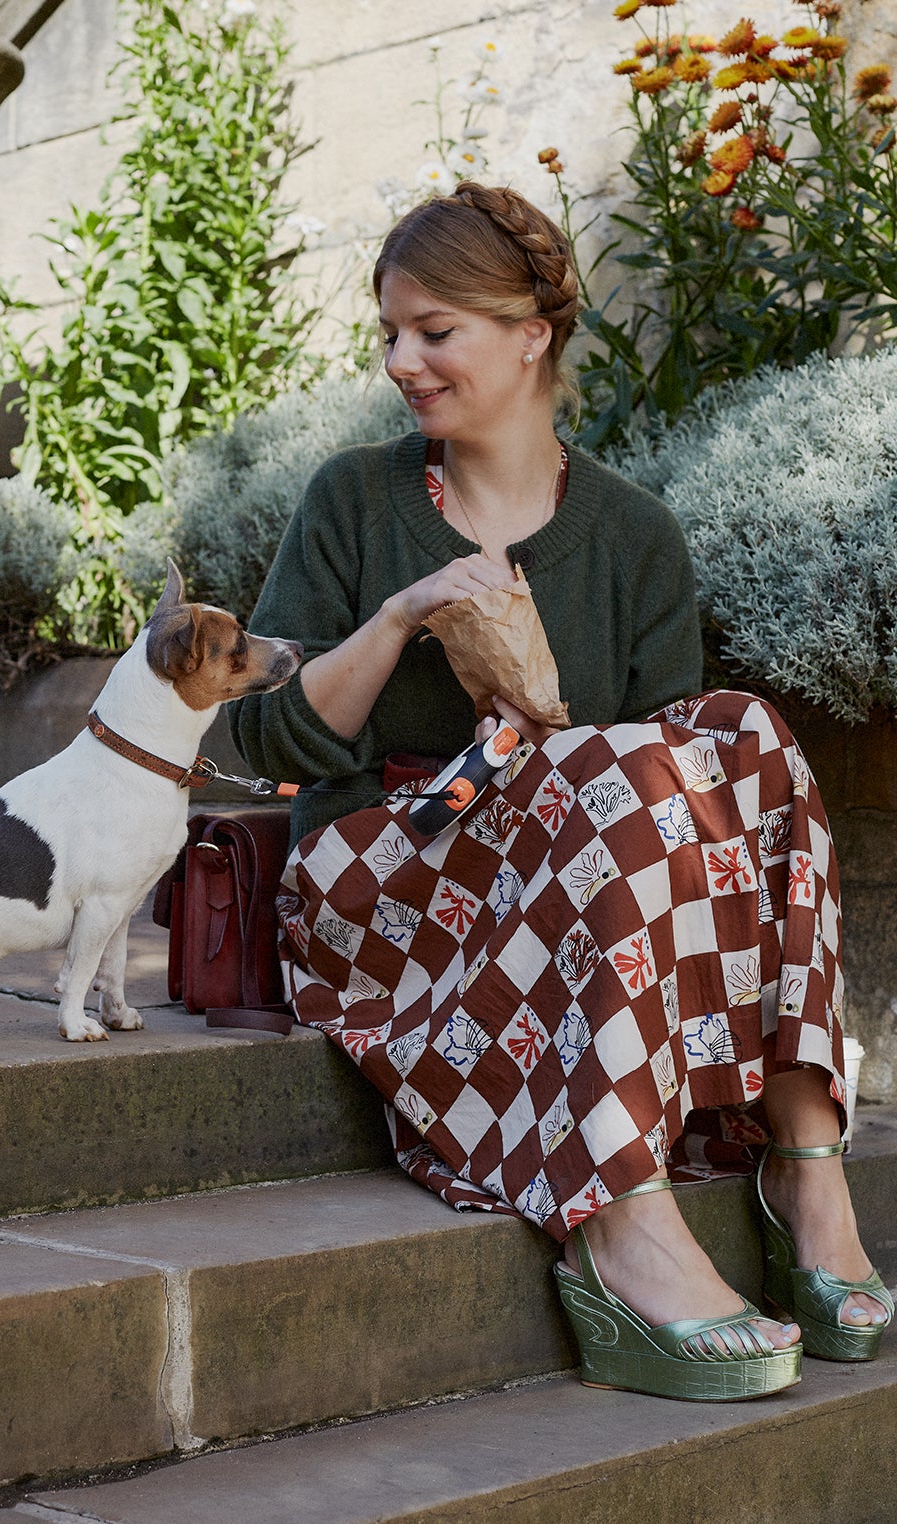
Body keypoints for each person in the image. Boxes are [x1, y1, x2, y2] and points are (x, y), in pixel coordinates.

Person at [229, 180, 890, 1401]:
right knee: (633, 761)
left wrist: (546, 734)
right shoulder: (355, 500)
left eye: (434, 331)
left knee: (737, 730)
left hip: (577, 892)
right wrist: (398, 615)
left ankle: (806, 1159)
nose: (401, 363)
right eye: (388, 334)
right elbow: (267, 736)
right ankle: (620, 1218)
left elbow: (682, 801)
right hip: (387, 881)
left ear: (529, 332)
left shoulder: (632, 534)